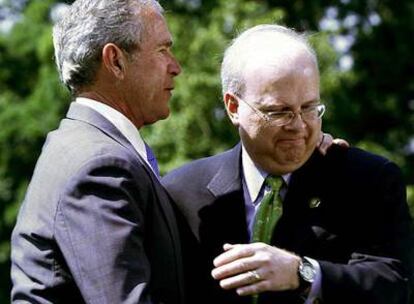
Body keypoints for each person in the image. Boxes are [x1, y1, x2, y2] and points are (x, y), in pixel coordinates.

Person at [162, 24, 413, 304]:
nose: (299, 126)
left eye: (309, 108)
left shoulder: (367, 180)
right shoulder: (181, 193)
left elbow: (395, 286)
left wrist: (304, 274)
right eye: (278, 112)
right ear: (233, 107)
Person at [10, 0, 184, 303]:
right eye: (162, 50)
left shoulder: (84, 145)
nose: (176, 67)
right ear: (115, 61)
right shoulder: (100, 165)